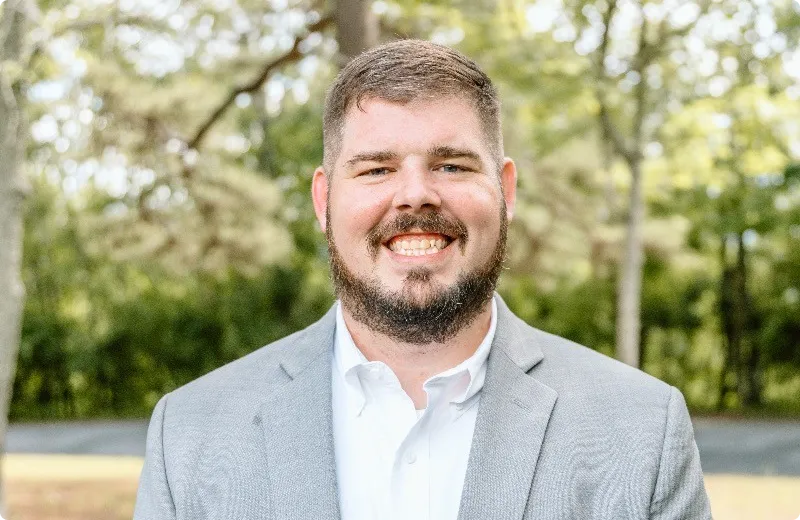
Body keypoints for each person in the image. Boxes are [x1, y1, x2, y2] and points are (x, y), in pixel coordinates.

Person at [134, 40, 711, 520]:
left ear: (505, 192)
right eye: (377, 169)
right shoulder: (189, 436)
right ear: (323, 199)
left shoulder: (642, 432)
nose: (414, 194)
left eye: (452, 165)